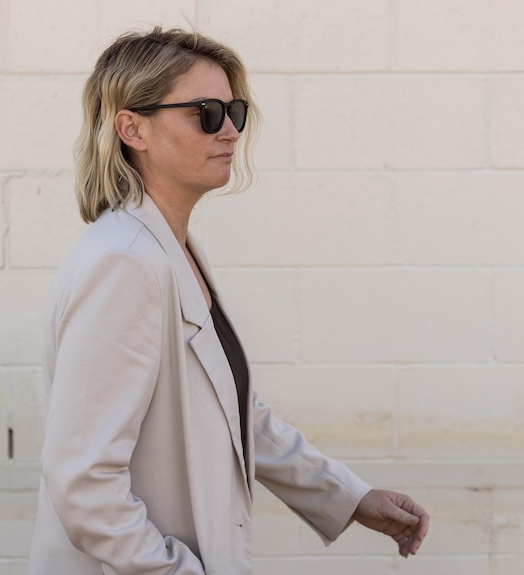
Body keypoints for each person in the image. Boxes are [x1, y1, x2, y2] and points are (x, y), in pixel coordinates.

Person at [28, 27, 429, 575]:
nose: (232, 130)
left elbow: (234, 412)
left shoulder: (168, 251)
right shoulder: (124, 263)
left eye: (235, 111)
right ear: (132, 128)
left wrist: (350, 497)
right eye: (207, 112)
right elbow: (82, 480)